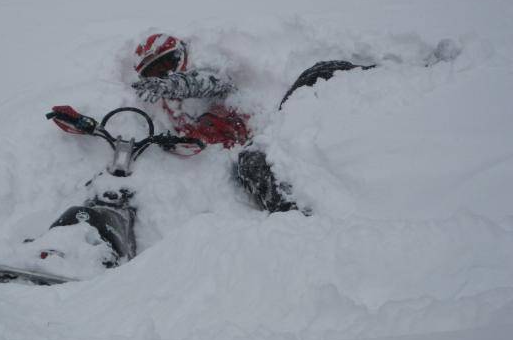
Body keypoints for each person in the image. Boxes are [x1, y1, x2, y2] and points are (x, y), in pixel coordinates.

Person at [131, 33, 376, 213]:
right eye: (155, 72)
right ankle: (304, 222)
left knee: (320, 72)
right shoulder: (167, 110)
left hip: (281, 120)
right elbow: (192, 143)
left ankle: (386, 80)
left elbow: (212, 82)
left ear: (179, 55)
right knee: (253, 166)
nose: (165, 75)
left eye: (167, 64)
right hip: (258, 152)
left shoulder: (208, 59)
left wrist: (172, 84)